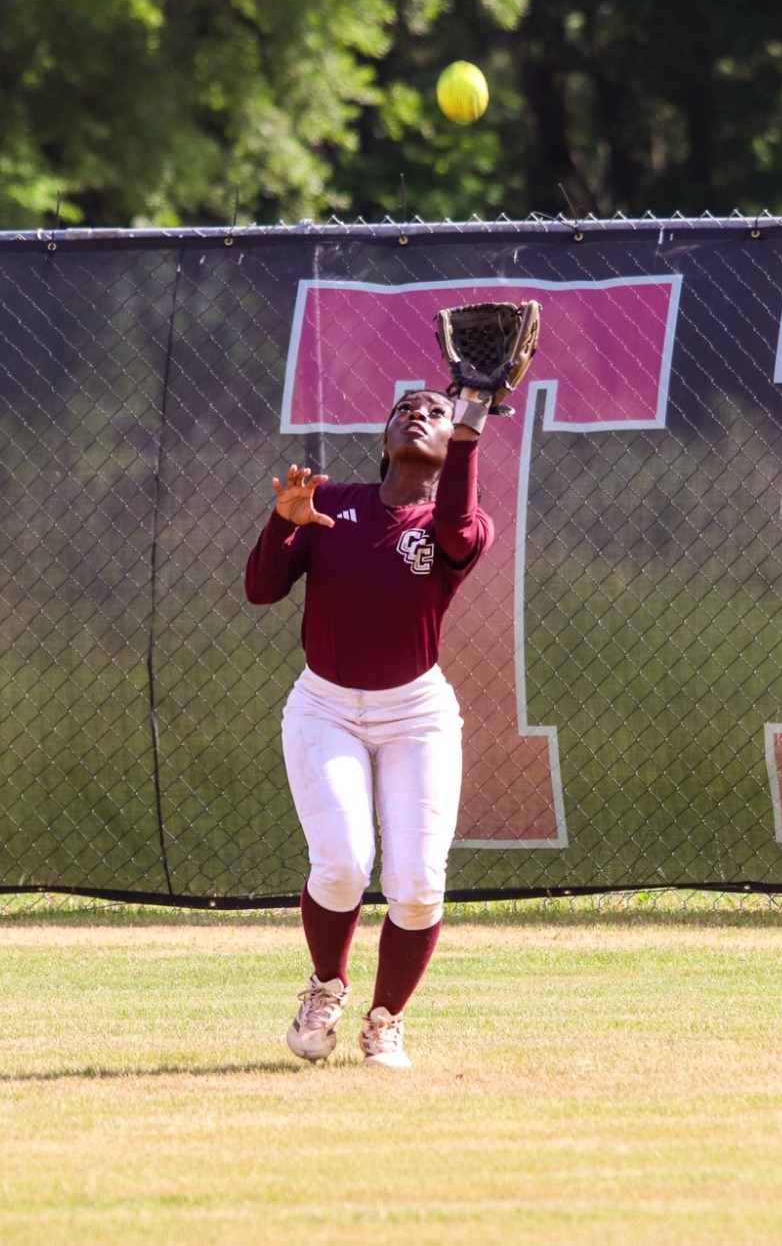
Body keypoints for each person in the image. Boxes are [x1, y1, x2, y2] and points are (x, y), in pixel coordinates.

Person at [243, 385, 494, 1068]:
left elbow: (456, 526)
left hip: (416, 715)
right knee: (345, 862)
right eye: (405, 407)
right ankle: (326, 987)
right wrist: (285, 523)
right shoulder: (333, 503)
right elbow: (261, 589)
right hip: (324, 707)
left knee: (416, 883)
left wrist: (471, 423)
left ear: (454, 446)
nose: (418, 412)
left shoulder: (459, 525)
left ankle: (385, 1020)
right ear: (383, 435)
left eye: (435, 411)